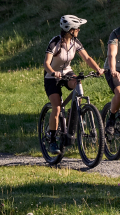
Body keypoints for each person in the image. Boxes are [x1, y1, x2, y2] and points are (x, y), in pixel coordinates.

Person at [43, 14, 105, 154]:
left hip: (67, 72)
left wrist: (98, 69)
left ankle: (74, 114)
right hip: (52, 77)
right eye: (77, 28)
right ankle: (52, 140)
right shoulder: (55, 42)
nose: (79, 30)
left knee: (77, 83)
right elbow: (46, 63)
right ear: (69, 29)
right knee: (57, 108)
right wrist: (53, 72)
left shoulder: (75, 42)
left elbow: (87, 57)